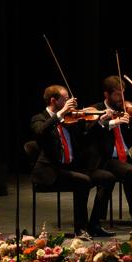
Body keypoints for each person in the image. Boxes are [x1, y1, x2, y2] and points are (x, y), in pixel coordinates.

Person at [30, 85, 117, 237]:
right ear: (53, 101)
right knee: (82, 181)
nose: (69, 102)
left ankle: (94, 224)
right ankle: (80, 229)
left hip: (72, 167)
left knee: (108, 178)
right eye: (65, 99)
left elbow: (85, 139)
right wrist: (59, 115)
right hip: (51, 171)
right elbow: (40, 132)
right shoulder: (39, 118)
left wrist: (99, 122)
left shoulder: (70, 119)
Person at [87, 75, 132, 228]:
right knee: (129, 172)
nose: (121, 98)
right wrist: (111, 122)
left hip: (124, 157)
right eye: (116, 94)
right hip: (104, 159)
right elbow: (87, 134)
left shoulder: (126, 110)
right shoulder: (96, 109)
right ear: (106, 94)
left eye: (122, 94)